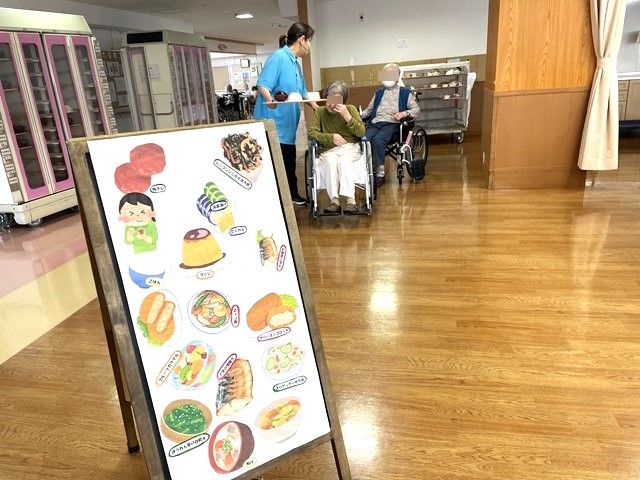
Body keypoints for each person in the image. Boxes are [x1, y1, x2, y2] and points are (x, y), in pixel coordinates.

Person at [254, 22, 317, 206]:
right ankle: (283, 199)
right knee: (279, 163)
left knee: (288, 160)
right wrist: (270, 100)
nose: (310, 45)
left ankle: (291, 195)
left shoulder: (295, 64)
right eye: (309, 41)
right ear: (302, 40)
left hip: (288, 126)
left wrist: (317, 107)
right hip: (273, 123)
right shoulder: (278, 57)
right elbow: (263, 85)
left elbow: (302, 92)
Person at [308, 81, 365, 214]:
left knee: (344, 162)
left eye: (336, 99)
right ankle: (334, 201)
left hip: (350, 147)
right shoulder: (320, 112)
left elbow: (361, 132)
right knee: (330, 161)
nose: (332, 103)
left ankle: (351, 201)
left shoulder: (350, 109)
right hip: (329, 149)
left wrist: (347, 116)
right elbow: (311, 133)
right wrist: (330, 137)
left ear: (342, 100)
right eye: (330, 98)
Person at [361, 63, 420, 187]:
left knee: (378, 140)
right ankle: (365, 171)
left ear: (397, 77)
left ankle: (380, 174)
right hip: (375, 123)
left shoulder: (404, 92)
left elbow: (416, 109)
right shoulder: (378, 93)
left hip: (392, 124)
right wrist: (356, 116)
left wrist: (403, 113)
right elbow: (369, 110)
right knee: (364, 140)